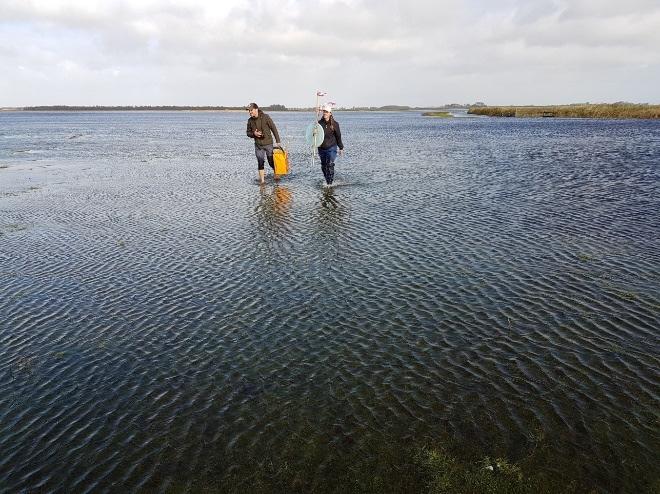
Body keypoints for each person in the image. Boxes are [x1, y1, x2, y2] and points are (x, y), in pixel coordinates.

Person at [246, 102, 282, 184]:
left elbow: (273, 128)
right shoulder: (250, 121)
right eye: (249, 111)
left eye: (251, 110)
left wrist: (278, 141)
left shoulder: (266, 117)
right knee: (260, 162)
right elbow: (248, 133)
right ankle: (262, 181)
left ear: (256, 109)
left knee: (270, 162)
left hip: (268, 143)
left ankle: (277, 173)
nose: (250, 112)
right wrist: (253, 134)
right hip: (258, 145)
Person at [317, 104, 344, 186]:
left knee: (329, 164)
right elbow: (314, 136)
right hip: (321, 148)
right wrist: (314, 132)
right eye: (324, 111)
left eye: (326, 112)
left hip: (331, 147)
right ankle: (327, 180)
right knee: (323, 166)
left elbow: (338, 136)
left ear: (330, 113)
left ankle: (330, 183)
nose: (325, 113)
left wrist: (341, 148)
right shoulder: (318, 123)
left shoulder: (335, 124)